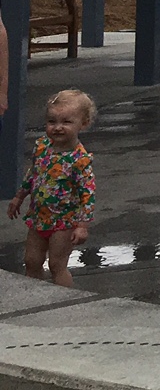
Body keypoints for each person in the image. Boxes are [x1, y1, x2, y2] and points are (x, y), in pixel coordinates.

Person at [9, 89, 95, 287]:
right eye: (51, 121)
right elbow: (33, 174)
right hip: (39, 216)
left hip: (64, 221)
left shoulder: (79, 160)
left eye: (66, 122)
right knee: (31, 261)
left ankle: (64, 304)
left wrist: (82, 226)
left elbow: (87, 194)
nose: (57, 127)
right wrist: (19, 197)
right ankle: (36, 298)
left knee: (57, 264)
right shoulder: (42, 147)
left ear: (83, 124)